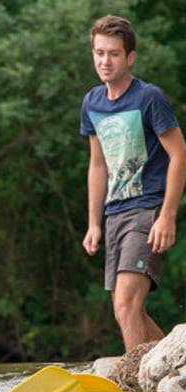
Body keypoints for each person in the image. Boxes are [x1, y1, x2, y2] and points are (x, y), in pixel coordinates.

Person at [80, 15, 186, 351]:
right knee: (127, 311)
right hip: (115, 213)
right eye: (99, 53)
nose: (104, 61)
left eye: (113, 54)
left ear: (130, 58)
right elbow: (98, 165)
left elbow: (180, 154)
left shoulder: (148, 97)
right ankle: (176, 365)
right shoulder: (91, 102)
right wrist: (93, 223)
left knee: (126, 303)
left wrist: (167, 215)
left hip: (147, 208)